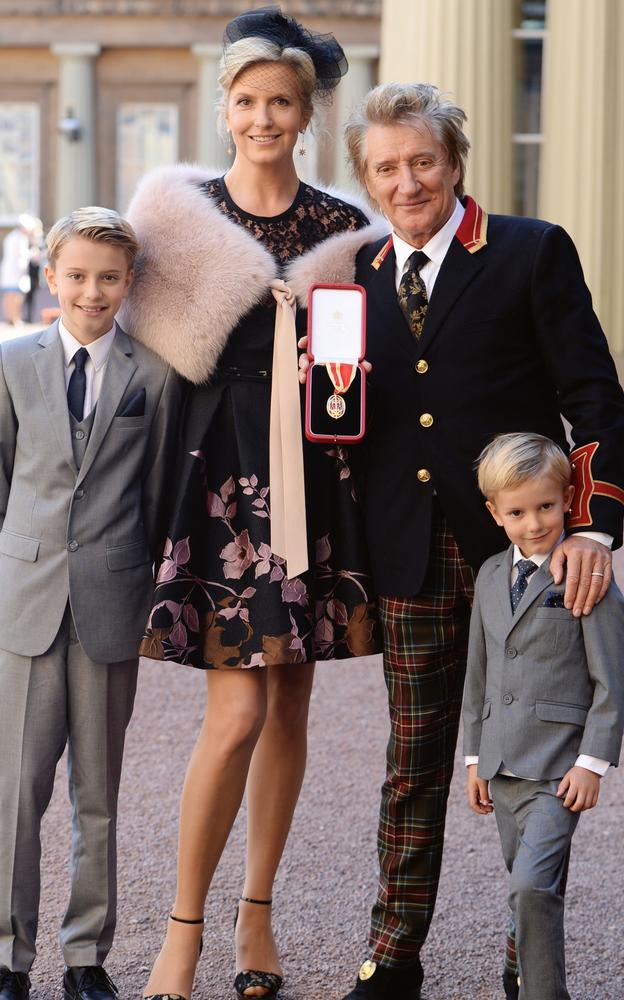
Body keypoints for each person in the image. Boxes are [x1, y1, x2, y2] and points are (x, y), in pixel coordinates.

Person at [293, 82, 624, 1000]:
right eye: (387, 168)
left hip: (523, 556)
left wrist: (592, 526)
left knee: (525, 762)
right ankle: (394, 954)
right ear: (366, 175)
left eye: (423, 162)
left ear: (454, 164)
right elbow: (343, 419)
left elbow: (593, 393)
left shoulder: (530, 251)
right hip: (409, 553)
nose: (408, 182)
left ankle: (531, 962)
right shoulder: (350, 279)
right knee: (415, 761)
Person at [119, 7, 382, 1000]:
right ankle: (182, 932)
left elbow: (359, 380)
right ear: (224, 109)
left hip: (314, 480)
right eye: (247, 101)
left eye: (282, 101)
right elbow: (132, 368)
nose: (264, 116)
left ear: (305, 113)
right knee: (233, 709)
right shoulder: (174, 219)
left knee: (290, 699)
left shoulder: (340, 229)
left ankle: (255, 918)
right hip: (218, 482)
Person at [0, 207, 181, 1000]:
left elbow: (160, 491)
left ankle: (85, 959)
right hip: (26, 601)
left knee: (96, 794)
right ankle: (8, 959)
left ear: (129, 282)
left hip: (110, 602)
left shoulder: (155, 375)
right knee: (15, 794)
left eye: (109, 277)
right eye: (77, 275)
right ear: (51, 277)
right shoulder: (11, 365)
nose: (92, 291)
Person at [463, 431, 624, 1000]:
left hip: (560, 769)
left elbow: (612, 679)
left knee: (534, 889)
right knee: (524, 885)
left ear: (567, 499)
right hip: (504, 763)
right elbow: (478, 675)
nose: (534, 523)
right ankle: (522, 962)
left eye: (546, 506)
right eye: (517, 511)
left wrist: (593, 762)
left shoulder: (586, 576)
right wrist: (475, 757)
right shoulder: (489, 576)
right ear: (495, 513)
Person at [1, 216, 31, 326]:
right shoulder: (21, 238)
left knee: (8, 296)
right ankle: (15, 318)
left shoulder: (10, 236)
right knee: (16, 296)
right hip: (17, 272)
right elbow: (21, 255)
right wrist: (32, 254)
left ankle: (9, 317)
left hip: (9, 271)